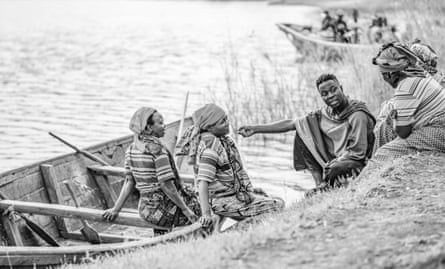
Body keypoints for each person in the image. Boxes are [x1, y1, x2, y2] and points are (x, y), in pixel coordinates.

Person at [239, 74, 376, 193]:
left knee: (334, 169)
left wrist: (337, 162)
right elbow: (290, 124)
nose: (330, 95)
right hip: (337, 158)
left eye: (334, 90)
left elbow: (358, 152)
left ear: (341, 88)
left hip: (358, 161)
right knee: (303, 130)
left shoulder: (357, 114)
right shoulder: (325, 113)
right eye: (325, 94)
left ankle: (327, 185)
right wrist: (256, 128)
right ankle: (319, 184)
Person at [176, 104, 284, 228]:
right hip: (222, 202)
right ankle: (234, 231)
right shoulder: (210, 149)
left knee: (271, 198)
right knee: (277, 205)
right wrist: (206, 213)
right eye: (222, 122)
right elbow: (202, 182)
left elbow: (230, 175)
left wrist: (248, 190)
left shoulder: (222, 141)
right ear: (209, 127)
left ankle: (240, 221)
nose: (227, 123)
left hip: (230, 196)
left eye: (226, 119)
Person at [103, 107, 200, 235]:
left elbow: (129, 182)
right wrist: (187, 211)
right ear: (148, 128)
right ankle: (202, 237)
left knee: (185, 201)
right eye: (160, 123)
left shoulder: (130, 150)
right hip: (163, 211)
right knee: (202, 206)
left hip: (145, 211)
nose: (164, 126)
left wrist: (116, 209)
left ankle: (161, 237)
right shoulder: (158, 152)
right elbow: (167, 186)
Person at [372, 42, 445, 161]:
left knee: (384, 153)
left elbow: (403, 132)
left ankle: (373, 169)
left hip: (439, 130)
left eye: (383, 75)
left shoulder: (406, 86)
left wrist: (398, 120)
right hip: (437, 124)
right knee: (387, 125)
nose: (384, 79)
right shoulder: (420, 74)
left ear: (390, 74)